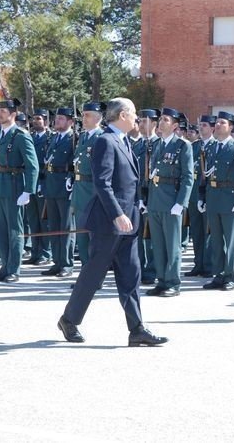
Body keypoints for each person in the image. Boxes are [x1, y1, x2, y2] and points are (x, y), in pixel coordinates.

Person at [57, 97, 167, 346]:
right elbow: (102, 183)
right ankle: (69, 320)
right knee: (93, 275)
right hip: (110, 222)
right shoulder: (106, 141)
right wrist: (118, 214)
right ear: (123, 115)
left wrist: (133, 209)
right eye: (134, 113)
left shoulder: (123, 140)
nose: (137, 118)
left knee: (131, 275)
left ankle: (137, 328)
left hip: (129, 222)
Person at [144, 107, 194, 297]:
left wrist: (181, 203)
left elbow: (188, 177)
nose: (161, 122)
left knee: (172, 245)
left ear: (174, 126)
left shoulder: (182, 146)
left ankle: (173, 282)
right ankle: (162, 280)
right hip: (156, 201)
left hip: (172, 201)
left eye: (165, 120)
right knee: (158, 244)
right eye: (161, 119)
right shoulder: (156, 145)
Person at [0, 99, 39, 282]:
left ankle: (14, 269)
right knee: (0, 230)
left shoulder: (20, 135)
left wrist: (28, 191)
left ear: (13, 114)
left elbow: (33, 166)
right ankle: (4, 266)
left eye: (2, 111)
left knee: (14, 230)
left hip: (13, 186)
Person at [200, 112, 234, 291]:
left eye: (223, 122)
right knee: (216, 240)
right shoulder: (211, 148)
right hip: (213, 197)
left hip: (231, 199)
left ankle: (230, 275)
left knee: (231, 240)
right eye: (217, 122)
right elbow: (205, 176)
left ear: (231, 127)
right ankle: (218, 274)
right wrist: (202, 198)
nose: (218, 125)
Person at [41, 107, 77, 278]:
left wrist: (71, 179)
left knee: (67, 227)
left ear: (71, 122)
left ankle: (67, 264)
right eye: (57, 118)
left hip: (64, 185)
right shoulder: (53, 138)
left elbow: (76, 163)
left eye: (62, 119)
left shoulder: (73, 139)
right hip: (51, 184)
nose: (57, 121)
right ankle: (57, 262)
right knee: (53, 226)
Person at [70, 102, 105, 267]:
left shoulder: (102, 138)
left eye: (87, 115)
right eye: (83, 115)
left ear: (98, 118)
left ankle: (94, 277)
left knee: (95, 238)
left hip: (93, 192)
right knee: (81, 236)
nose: (83, 118)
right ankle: (85, 273)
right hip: (79, 190)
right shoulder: (83, 136)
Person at [184, 114, 215, 278]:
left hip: (209, 195)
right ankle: (198, 264)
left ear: (212, 128)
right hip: (194, 195)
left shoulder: (216, 146)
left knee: (208, 232)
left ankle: (209, 265)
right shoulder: (193, 146)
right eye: (200, 125)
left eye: (204, 125)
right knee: (196, 232)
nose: (201, 127)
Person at [132, 109, 160, 285]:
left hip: (152, 196)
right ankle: (139, 269)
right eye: (140, 121)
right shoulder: (136, 145)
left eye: (144, 121)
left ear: (154, 124)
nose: (141, 125)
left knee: (150, 237)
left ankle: (152, 270)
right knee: (137, 236)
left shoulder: (158, 145)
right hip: (136, 196)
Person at [24, 109, 52, 266]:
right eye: (34, 119)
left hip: (44, 181)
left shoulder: (50, 138)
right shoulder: (30, 137)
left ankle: (45, 253)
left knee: (44, 219)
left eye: (39, 119)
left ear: (46, 121)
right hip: (31, 183)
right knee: (33, 218)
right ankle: (35, 251)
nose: (35, 121)